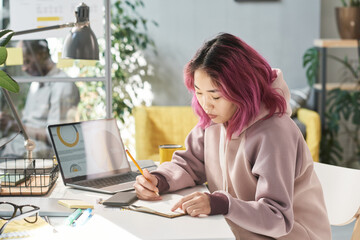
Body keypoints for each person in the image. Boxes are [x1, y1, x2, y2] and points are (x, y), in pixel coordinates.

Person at [134, 33, 332, 239]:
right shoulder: (215, 121)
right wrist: (159, 180)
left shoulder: (275, 133)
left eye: (215, 95)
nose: (206, 104)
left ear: (241, 89)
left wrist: (222, 203)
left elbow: (278, 217)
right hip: (237, 231)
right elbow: (188, 164)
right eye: (199, 93)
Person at [0, 39, 80, 158]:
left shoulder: (62, 85)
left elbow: (57, 138)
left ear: (42, 54)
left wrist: (15, 125)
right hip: (18, 146)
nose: (24, 68)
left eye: (27, 61)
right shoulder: (36, 83)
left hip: (38, 155)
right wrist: (11, 121)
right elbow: (29, 123)